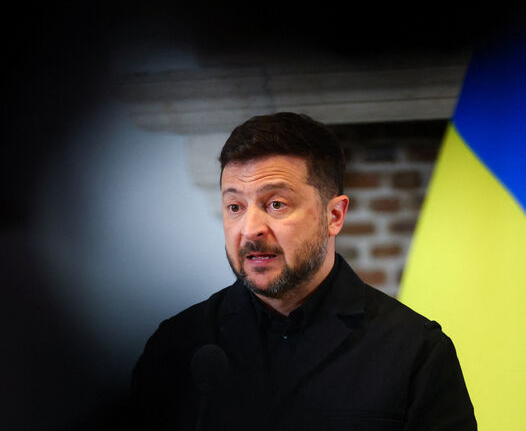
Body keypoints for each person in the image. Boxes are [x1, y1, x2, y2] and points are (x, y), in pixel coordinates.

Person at [131, 113, 476, 431]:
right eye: (235, 206)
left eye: (275, 204)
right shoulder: (175, 345)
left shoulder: (416, 351)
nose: (250, 229)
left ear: (334, 216)